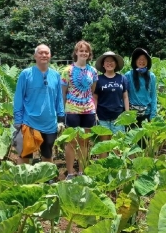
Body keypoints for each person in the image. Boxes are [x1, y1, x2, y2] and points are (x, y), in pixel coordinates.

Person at [12, 44, 65, 165]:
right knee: (25, 154)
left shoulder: (55, 75)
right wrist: (18, 120)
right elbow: (18, 98)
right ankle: (23, 180)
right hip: (29, 122)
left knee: (47, 153)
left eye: (46, 53)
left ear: (50, 56)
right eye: (41, 53)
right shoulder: (26, 74)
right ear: (35, 56)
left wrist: (61, 118)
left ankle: (47, 179)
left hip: (50, 123)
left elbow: (59, 99)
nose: (44, 55)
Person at [61, 40, 99, 177]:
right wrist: (62, 112)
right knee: (71, 142)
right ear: (76, 52)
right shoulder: (67, 71)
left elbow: (93, 91)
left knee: (84, 141)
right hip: (72, 110)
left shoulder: (93, 71)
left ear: (89, 54)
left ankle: (82, 171)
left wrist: (94, 110)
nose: (83, 53)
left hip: (88, 110)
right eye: (81, 50)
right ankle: (70, 172)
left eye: (86, 51)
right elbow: (63, 93)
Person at [93, 51, 129, 146]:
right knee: (104, 145)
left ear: (116, 64)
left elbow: (125, 97)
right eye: (107, 61)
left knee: (117, 145)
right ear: (103, 64)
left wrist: (127, 113)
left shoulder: (122, 78)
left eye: (112, 61)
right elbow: (95, 98)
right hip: (102, 116)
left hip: (118, 117)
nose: (109, 63)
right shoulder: (98, 79)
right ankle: (103, 161)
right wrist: (94, 113)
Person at [125, 48, 157, 127]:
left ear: (148, 61)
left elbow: (153, 96)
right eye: (139, 59)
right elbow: (125, 95)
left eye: (144, 59)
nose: (141, 61)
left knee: (145, 138)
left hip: (147, 113)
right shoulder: (128, 75)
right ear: (135, 61)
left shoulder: (151, 76)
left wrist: (153, 114)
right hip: (132, 114)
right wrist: (127, 113)